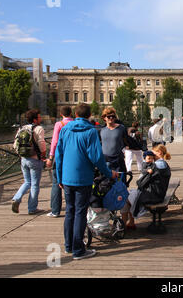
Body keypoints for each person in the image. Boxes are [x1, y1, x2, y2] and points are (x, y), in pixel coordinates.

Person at [56, 103, 119, 260]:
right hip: (83, 177)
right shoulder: (90, 131)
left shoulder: (65, 129)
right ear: (89, 115)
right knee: (80, 212)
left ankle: (69, 246)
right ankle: (79, 250)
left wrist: (59, 177)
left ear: (76, 114)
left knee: (69, 211)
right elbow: (96, 157)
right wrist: (108, 173)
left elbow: (59, 154)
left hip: (66, 177)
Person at [121, 144, 171, 230]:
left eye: (153, 153)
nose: (151, 155)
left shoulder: (155, 166)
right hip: (158, 193)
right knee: (130, 195)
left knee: (125, 197)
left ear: (159, 152)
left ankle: (124, 225)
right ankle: (130, 223)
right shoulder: (163, 164)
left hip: (152, 195)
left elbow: (141, 183)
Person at [11, 109, 47, 215]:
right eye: (39, 117)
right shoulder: (38, 128)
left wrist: (21, 154)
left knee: (27, 182)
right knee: (35, 184)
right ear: (35, 119)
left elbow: (15, 144)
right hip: (35, 159)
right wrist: (43, 155)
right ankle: (32, 208)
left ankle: (16, 198)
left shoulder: (22, 128)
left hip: (24, 159)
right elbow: (42, 144)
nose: (40, 118)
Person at [46, 106, 74, 217]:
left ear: (61, 114)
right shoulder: (74, 124)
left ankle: (55, 210)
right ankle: (71, 207)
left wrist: (50, 157)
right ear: (71, 113)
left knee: (56, 183)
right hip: (72, 157)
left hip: (60, 156)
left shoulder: (59, 125)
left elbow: (54, 142)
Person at [99, 107, 129, 172]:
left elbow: (126, 140)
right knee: (106, 181)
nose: (111, 118)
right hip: (105, 160)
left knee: (121, 180)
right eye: (108, 116)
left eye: (113, 116)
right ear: (104, 118)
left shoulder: (121, 128)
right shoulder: (101, 130)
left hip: (118, 159)